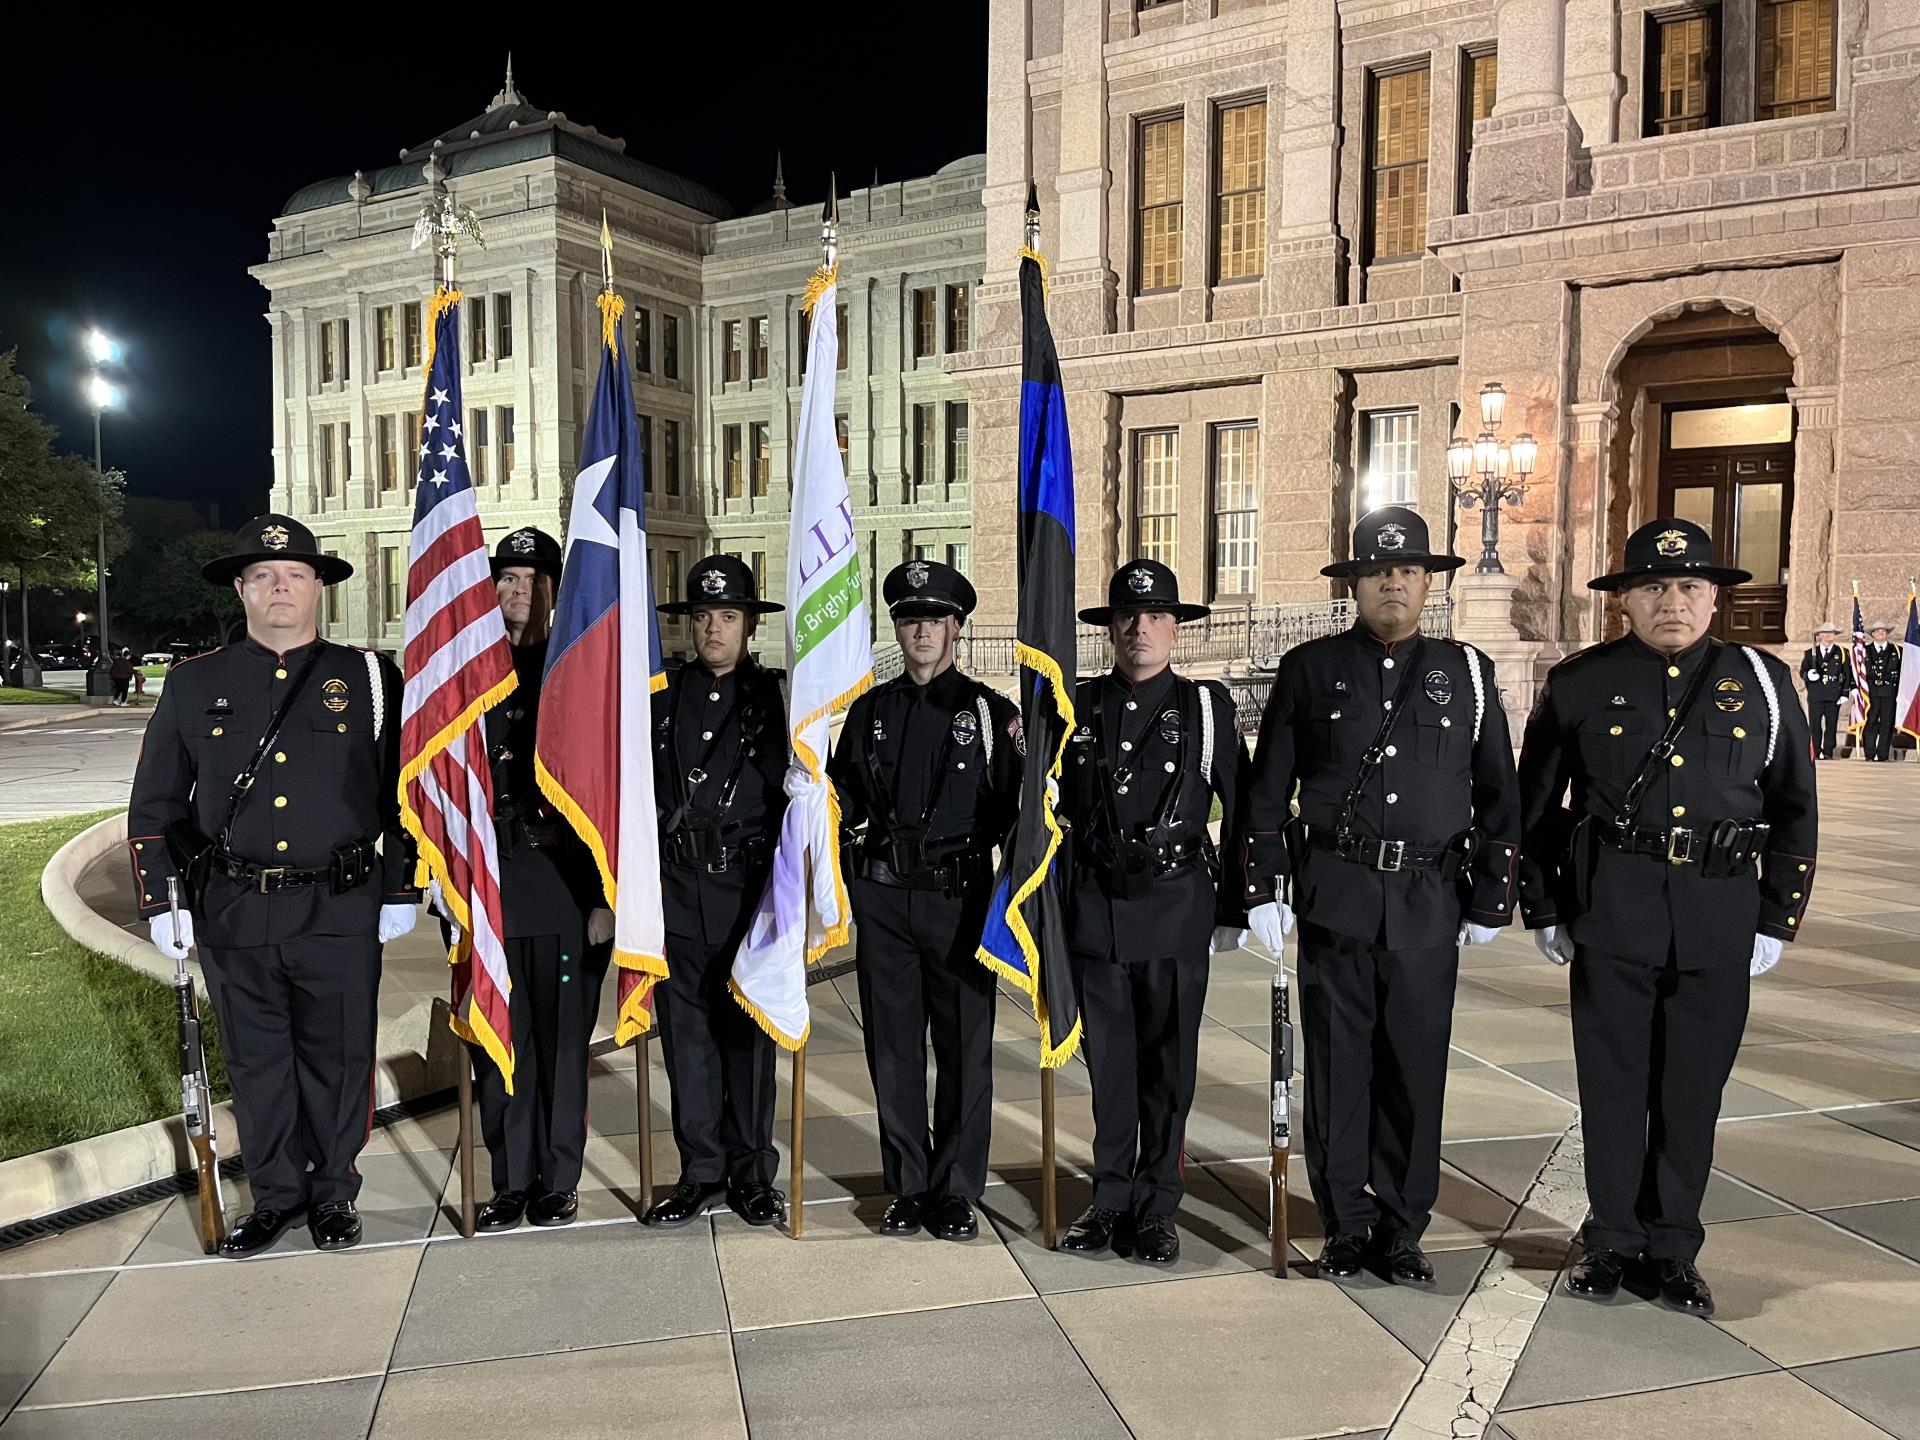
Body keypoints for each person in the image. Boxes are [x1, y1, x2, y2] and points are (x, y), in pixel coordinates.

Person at [1517, 517, 1817, 1317]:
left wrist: (1775, 918)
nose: (1672, 601)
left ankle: (1674, 1246)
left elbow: (1793, 806)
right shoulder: (1579, 683)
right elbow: (1537, 808)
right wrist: (1543, 905)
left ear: (1714, 597)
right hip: (1614, 910)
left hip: (1720, 912)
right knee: (1613, 1085)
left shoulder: (1762, 682)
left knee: (1692, 1090)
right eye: (1653, 586)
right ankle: (1612, 1238)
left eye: (1688, 586)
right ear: (1626, 601)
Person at [1240, 506, 1521, 1286]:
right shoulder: (1309, 669)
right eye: (1377, 571)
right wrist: (1265, 887)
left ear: (1428, 582)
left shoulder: (1466, 671)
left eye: (1406, 571)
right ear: (1355, 584)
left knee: (1414, 1068)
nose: (1392, 582)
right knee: (1336, 1066)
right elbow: (1268, 793)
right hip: (1338, 896)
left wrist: (1493, 897)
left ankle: (1401, 1224)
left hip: (1430, 899)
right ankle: (1345, 1221)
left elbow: (1501, 792)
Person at [127, 514, 420, 1257]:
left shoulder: (371, 679)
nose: (279, 587)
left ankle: (333, 1195)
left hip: (339, 904)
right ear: (241, 588)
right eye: (263, 575)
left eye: (294, 574)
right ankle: (277, 1195)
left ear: (319, 585)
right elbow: (158, 800)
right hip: (234, 908)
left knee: (338, 1057)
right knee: (258, 1062)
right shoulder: (195, 684)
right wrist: (163, 900)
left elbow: (408, 794)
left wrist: (400, 885)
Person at [1056, 559, 1248, 1266]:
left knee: (1168, 1068)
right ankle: (1108, 1199)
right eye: (1127, 618)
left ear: (1175, 628)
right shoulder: (1074, 706)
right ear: (1110, 629)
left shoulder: (1206, 708)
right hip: (1098, 909)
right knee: (1109, 1066)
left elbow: (1248, 805)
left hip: (1175, 909)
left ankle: (1158, 1205)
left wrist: (1242, 904)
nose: (1141, 629)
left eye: (1156, 616)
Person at [829, 560, 1021, 1241]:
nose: (920, 633)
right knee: (894, 1049)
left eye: (933, 621)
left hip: (959, 899)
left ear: (955, 629)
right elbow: (842, 795)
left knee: (966, 1050)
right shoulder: (870, 711)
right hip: (884, 899)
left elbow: (1016, 817)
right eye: (909, 621)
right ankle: (907, 1185)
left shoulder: (992, 715)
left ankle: (955, 1190)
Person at [449, 528, 614, 1232]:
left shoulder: (575, 670)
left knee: (561, 1046)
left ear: (557, 592)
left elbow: (612, 792)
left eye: (534, 580)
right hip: (493, 886)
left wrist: (607, 897)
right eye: (508, 580)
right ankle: (511, 1181)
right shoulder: (465, 679)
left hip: (565, 886)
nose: (519, 591)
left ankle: (557, 1178)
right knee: (500, 1043)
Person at [642, 556, 790, 1229]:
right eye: (702, 616)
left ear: (749, 625)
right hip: (675, 891)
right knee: (686, 1041)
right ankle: (699, 1171)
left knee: (746, 1042)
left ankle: (752, 1172)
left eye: (727, 616)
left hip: (746, 893)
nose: (712, 628)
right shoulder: (659, 694)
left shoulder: (777, 698)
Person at [1798, 624, 1849, 760]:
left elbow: (1846, 674)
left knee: (1831, 725)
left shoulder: (1842, 652)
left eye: (1831, 633)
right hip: (1816, 694)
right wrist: (1808, 675)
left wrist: (1844, 693)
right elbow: (1802, 671)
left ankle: (1828, 750)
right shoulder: (1810, 653)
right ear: (1819, 635)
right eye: (1825, 633)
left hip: (1833, 694)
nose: (1828, 635)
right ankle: (1816, 750)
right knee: (1815, 724)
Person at [1863, 622, 1902, 761]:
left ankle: (1883, 754)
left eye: (1883, 631)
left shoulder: (1897, 650)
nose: (1881, 633)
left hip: (1889, 692)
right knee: (1871, 722)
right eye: (1877, 631)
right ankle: (1869, 752)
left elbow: (1902, 672)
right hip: (1870, 692)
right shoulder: (1864, 650)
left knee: (1887, 723)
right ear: (1872, 634)